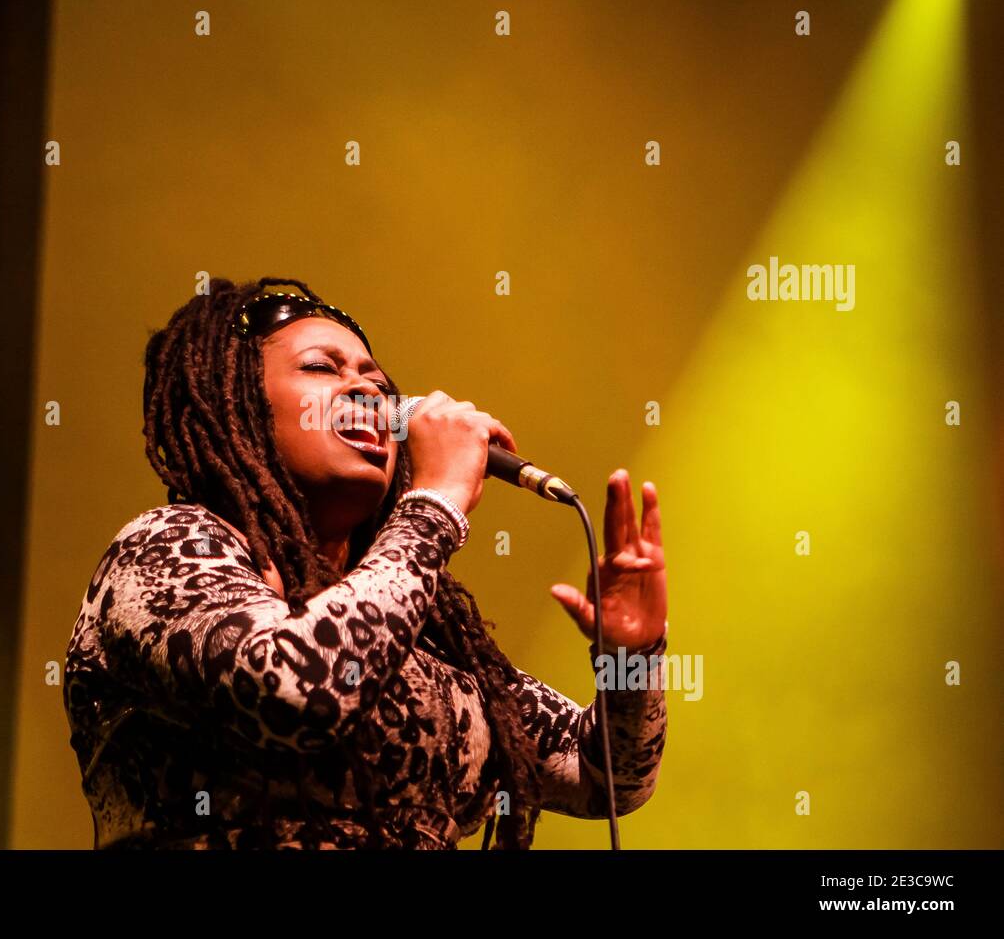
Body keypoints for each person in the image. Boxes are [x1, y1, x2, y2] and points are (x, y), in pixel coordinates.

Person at [63, 276, 669, 849]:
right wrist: (433, 507)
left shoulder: (426, 640)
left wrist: (632, 658)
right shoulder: (166, 547)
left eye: (380, 387)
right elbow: (298, 691)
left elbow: (607, 775)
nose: (366, 393)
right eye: (321, 368)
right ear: (238, 402)